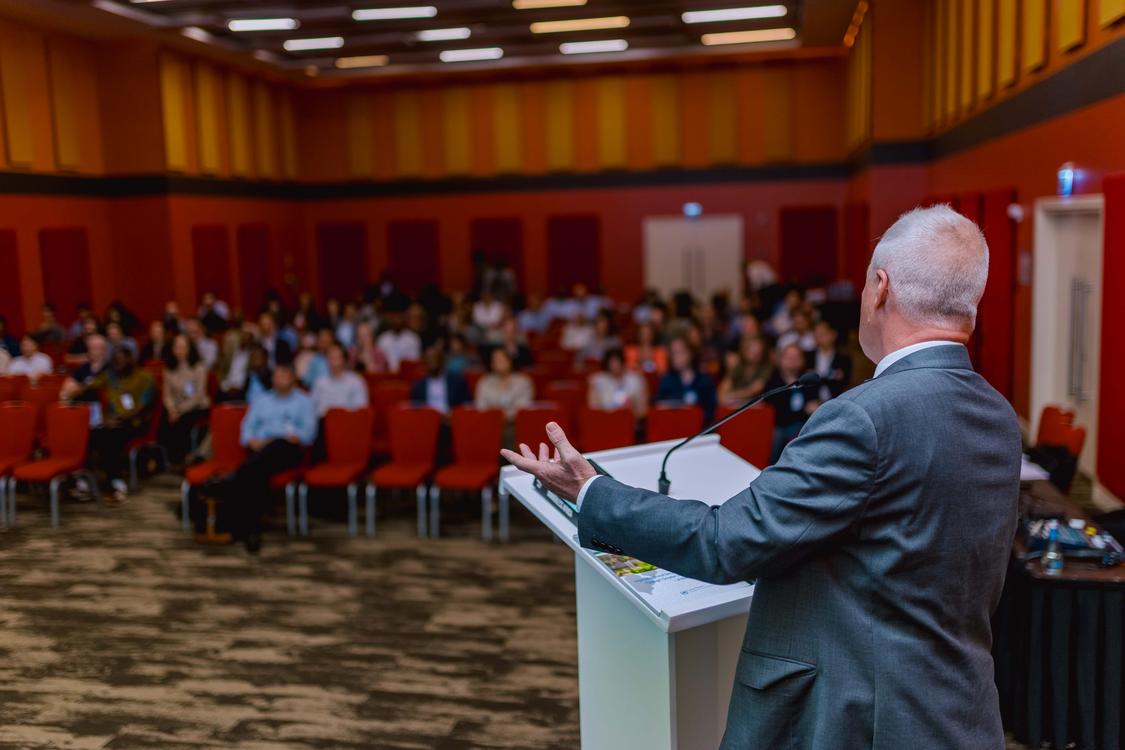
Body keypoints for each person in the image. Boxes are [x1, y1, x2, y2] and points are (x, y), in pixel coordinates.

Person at [504, 205, 1022, 750]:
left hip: (856, 719)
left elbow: (725, 542)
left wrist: (589, 491)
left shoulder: (863, 417)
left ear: (880, 288)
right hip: (956, 710)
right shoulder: (999, 416)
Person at [223, 363, 316, 552]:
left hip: (287, 448)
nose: (279, 380)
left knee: (255, 466)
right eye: (276, 376)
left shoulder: (304, 401)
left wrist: (292, 437)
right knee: (257, 472)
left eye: (284, 376)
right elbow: (247, 428)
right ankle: (251, 529)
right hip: (260, 449)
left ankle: (238, 523)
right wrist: (252, 440)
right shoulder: (262, 400)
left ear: (293, 379)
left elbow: (308, 433)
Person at [83, 347, 157, 501]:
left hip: (136, 422)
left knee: (113, 437)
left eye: (121, 360)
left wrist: (120, 418)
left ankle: (116, 482)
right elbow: (90, 386)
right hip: (113, 421)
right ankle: (86, 482)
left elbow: (142, 407)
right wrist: (105, 418)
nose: (117, 363)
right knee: (92, 435)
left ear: (130, 360)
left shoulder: (144, 377)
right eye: (115, 361)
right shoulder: (110, 376)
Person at [160, 334, 211, 465]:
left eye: (183, 347)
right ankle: (168, 460)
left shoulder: (199, 367)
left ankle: (184, 458)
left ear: (190, 349)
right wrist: (172, 409)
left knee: (183, 421)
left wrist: (179, 411)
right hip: (176, 407)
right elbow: (167, 394)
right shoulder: (168, 368)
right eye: (177, 347)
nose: (180, 351)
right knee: (164, 420)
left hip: (197, 406)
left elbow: (198, 395)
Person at [764, 343, 820, 460]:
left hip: (803, 426)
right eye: (789, 357)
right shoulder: (773, 382)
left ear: (803, 360)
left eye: (797, 357)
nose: (793, 361)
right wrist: (803, 411)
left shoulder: (808, 380)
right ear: (781, 359)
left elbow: (814, 406)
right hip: (778, 427)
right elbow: (777, 413)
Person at [655, 337, 717, 422]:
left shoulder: (704, 381)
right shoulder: (666, 381)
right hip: (673, 426)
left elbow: (712, 410)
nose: (675, 357)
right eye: (673, 353)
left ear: (690, 353)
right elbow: (658, 408)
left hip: (701, 427)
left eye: (679, 352)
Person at [474, 347, 533, 420]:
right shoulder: (484, 382)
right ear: (492, 364)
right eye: (496, 360)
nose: (499, 362)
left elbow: (522, 408)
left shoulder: (523, 382)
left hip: (516, 423)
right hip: (489, 422)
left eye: (502, 359)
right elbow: (481, 407)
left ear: (510, 361)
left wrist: (501, 413)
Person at [410, 344, 471, 414]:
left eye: (435, 358)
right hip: (427, 418)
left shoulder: (457, 382)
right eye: (429, 359)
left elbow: (466, 406)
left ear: (442, 360)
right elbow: (416, 410)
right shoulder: (418, 386)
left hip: (451, 418)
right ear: (424, 363)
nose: (432, 362)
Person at [311, 343, 368, 417]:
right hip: (323, 420)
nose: (333, 360)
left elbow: (361, 409)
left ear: (344, 359)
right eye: (330, 357)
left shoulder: (356, 381)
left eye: (336, 357)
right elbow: (312, 408)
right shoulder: (320, 382)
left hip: (348, 420)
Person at [587, 348, 648, 419]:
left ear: (622, 362)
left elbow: (643, 410)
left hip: (630, 420)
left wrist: (631, 412)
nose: (615, 366)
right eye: (612, 363)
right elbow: (594, 408)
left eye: (617, 362)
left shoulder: (636, 380)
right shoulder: (596, 381)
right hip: (605, 421)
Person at [718, 335, 771, 405]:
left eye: (758, 352)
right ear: (745, 350)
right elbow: (723, 390)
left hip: (756, 406)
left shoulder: (766, 368)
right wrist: (726, 397)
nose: (754, 354)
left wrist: (731, 396)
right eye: (751, 350)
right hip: (735, 405)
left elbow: (755, 389)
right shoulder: (738, 367)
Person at [809, 319, 853, 402]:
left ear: (833, 334)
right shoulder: (808, 356)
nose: (819, 337)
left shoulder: (843, 359)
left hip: (837, 401)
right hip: (812, 402)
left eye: (823, 334)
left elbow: (846, 382)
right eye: (816, 334)